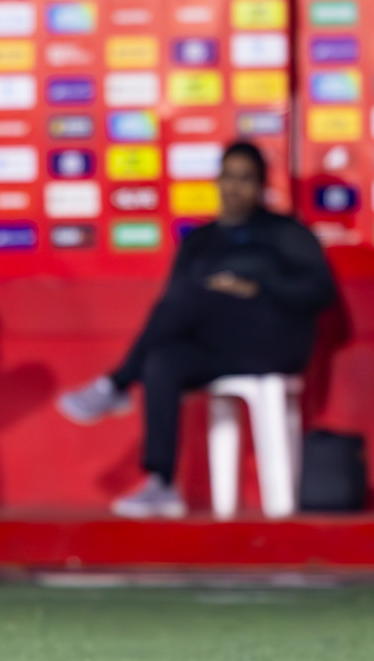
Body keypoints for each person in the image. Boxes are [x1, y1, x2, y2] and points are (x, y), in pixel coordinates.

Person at [58, 141, 336, 518]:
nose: (236, 187)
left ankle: (118, 383)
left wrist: (256, 283)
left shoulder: (285, 234)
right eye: (229, 177)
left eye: (246, 178)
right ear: (217, 181)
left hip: (272, 344)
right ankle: (160, 483)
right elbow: (174, 306)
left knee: (192, 293)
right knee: (162, 360)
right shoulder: (200, 242)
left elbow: (320, 292)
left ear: (260, 185)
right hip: (219, 346)